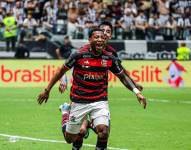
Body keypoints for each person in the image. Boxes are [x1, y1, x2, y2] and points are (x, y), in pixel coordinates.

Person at [37, 28, 147, 150]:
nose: (100, 40)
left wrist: (137, 92)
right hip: (79, 100)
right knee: (70, 139)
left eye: (102, 38)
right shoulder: (79, 54)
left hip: (99, 100)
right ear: (90, 40)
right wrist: (47, 90)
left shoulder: (109, 58)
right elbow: (61, 71)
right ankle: (65, 112)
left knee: (104, 132)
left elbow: (122, 76)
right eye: (96, 37)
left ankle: (90, 124)